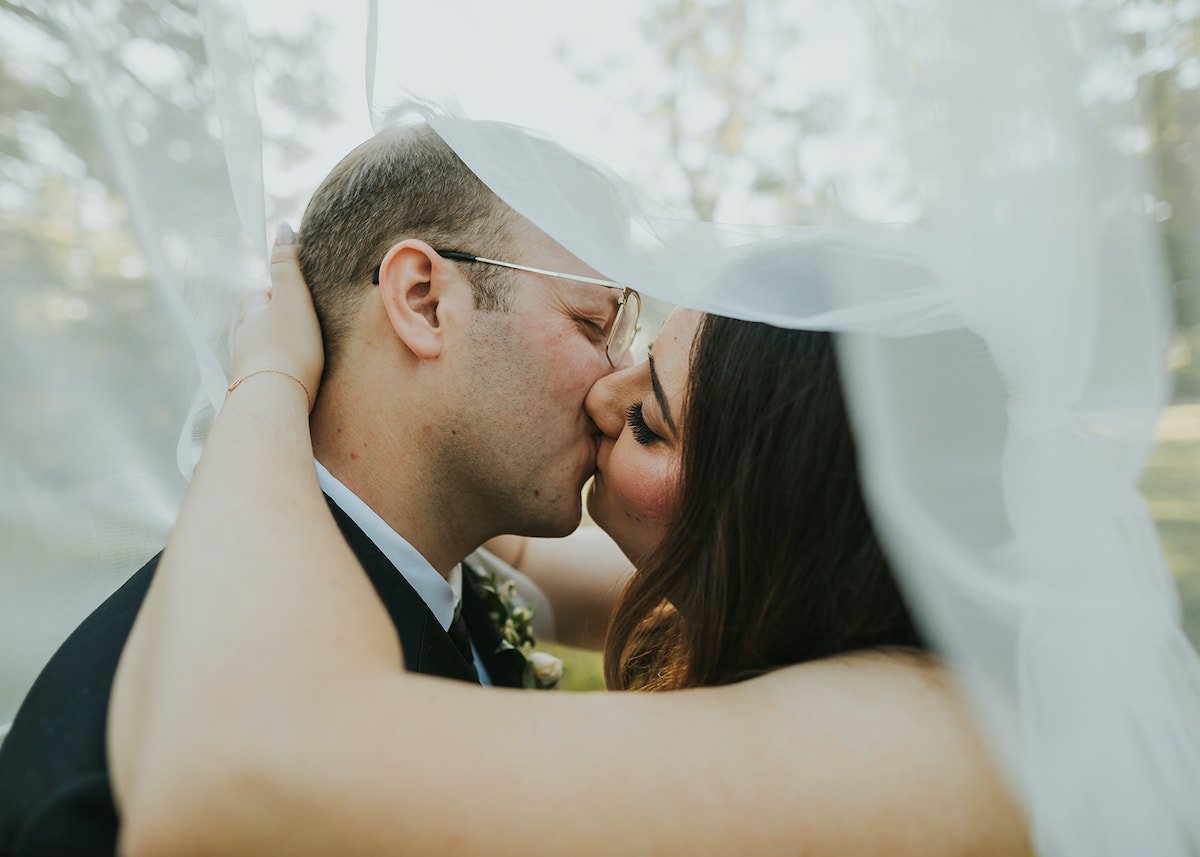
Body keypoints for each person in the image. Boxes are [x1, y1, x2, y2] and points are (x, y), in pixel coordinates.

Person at [106, 236, 1031, 856]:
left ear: (775, 520)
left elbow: (238, 766)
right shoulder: (808, 611)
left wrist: (267, 377)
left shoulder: (921, 746)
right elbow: (518, 556)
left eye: (653, 423)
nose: (603, 395)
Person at [0, 122, 638, 854]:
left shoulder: (455, 577)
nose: (618, 381)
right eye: (595, 323)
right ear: (424, 299)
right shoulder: (129, 768)